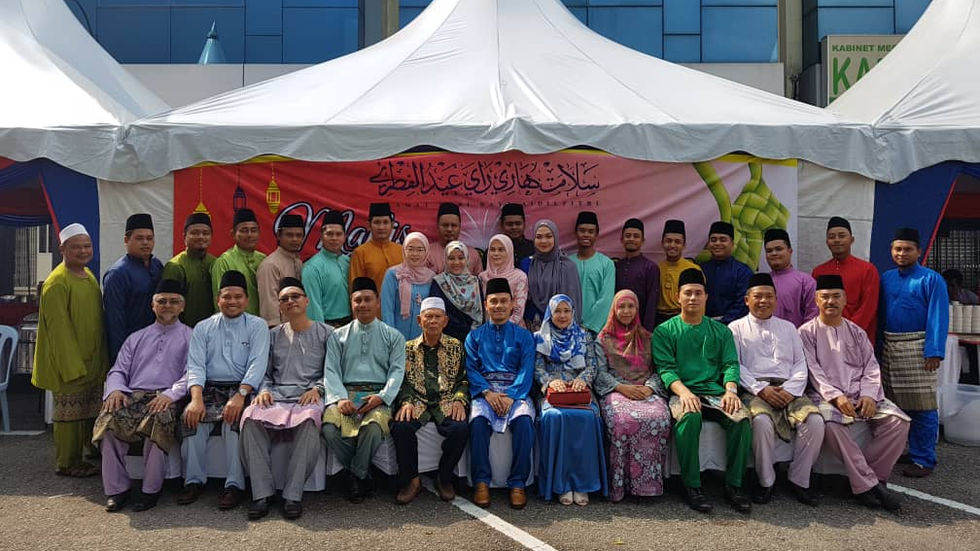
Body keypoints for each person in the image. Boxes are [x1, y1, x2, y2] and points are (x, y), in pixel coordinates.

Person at [799, 274, 909, 511]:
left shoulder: (857, 332)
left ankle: (873, 477)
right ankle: (870, 486)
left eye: (836, 296)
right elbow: (813, 371)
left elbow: (871, 367)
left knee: (898, 422)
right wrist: (836, 396)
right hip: (824, 396)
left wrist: (869, 394)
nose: (830, 301)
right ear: (816, 300)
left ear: (845, 299)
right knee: (831, 424)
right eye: (825, 297)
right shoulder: (806, 333)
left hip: (860, 394)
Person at [652, 268, 752, 513]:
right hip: (682, 391)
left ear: (706, 296)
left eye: (698, 293)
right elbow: (666, 369)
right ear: (678, 297)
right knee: (689, 417)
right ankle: (692, 486)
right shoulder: (664, 331)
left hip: (716, 393)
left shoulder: (721, 331)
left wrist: (731, 390)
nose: (693, 298)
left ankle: (734, 485)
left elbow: (730, 364)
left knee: (741, 418)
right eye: (688, 293)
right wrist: (684, 393)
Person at [93, 279, 190, 512]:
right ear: (153, 305)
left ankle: (150, 490)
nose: (167, 306)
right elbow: (118, 370)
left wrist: (170, 394)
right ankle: (117, 490)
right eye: (162, 301)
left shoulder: (191, 336)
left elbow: (193, 374)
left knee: (157, 421)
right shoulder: (136, 338)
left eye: (174, 301)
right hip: (133, 396)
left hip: (166, 398)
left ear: (182, 306)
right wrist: (116, 389)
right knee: (108, 420)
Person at [239, 277, 331, 520]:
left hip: (308, 395)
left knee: (310, 420)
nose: (290, 301)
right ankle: (262, 494)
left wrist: (319, 389)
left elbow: (333, 371)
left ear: (306, 301)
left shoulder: (327, 333)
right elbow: (264, 371)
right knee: (250, 417)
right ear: (279, 306)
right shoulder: (272, 335)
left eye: (295, 296)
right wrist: (264, 390)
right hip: (277, 394)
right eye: (284, 299)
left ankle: (293, 495)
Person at [729, 273, 824, 506]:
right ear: (747, 300)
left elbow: (800, 363)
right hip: (755, 390)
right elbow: (735, 365)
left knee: (815, 422)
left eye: (768, 296)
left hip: (789, 388)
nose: (763, 301)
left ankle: (799, 479)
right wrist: (761, 389)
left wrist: (790, 390)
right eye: (758, 296)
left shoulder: (789, 328)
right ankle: (766, 481)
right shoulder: (735, 328)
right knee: (761, 422)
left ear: (776, 299)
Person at [179, 270, 269, 510]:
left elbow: (258, 363)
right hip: (209, 388)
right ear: (218, 299)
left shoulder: (258, 325)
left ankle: (234, 485)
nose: (232, 301)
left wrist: (241, 395)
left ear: (246, 300)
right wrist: (196, 398)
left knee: (233, 424)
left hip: (242, 388)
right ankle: (193, 481)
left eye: (238, 297)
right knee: (191, 421)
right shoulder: (203, 327)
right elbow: (196, 365)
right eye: (227, 297)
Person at [32, 223, 108, 478]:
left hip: (92, 359)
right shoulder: (57, 282)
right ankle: (67, 462)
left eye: (87, 246)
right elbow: (59, 331)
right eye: (77, 247)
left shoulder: (88, 275)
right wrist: (72, 366)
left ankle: (88, 450)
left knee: (88, 409)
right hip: (70, 363)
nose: (83, 251)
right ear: (62, 249)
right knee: (69, 415)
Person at [322, 277, 406, 503]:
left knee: (373, 429)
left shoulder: (394, 336)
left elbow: (397, 371)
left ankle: (355, 476)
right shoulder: (337, 336)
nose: (363, 305)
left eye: (368, 299)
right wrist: (340, 399)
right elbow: (331, 370)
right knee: (329, 428)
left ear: (378, 302)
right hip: (346, 394)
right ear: (351, 303)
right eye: (357, 300)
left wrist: (382, 397)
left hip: (377, 395)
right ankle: (363, 474)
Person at [879, 227, 949, 478]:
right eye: (897, 249)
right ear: (891, 250)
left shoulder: (931, 279)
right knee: (897, 405)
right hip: (890, 346)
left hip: (919, 347)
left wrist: (934, 351)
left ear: (918, 251)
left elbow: (938, 316)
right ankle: (907, 449)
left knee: (923, 406)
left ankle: (924, 459)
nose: (902, 253)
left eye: (907, 249)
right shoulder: (886, 278)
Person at [465, 277, 536, 510]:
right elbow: (471, 368)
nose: (498, 306)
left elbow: (527, 368)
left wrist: (512, 395)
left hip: (515, 393)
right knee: (477, 423)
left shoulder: (524, 336)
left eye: (503, 301)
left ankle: (518, 483)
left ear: (512, 303)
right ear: (486, 304)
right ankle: (481, 482)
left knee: (524, 423)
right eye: (493, 301)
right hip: (485, 392)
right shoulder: (474, 336)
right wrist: (487, 393)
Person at [391, 297, 470, 505]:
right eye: (428, 317)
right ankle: (412, 480)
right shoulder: (407, 348)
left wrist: (459, 400)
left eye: (437, 317)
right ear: (420, 320)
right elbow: (401, 380)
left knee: (460, 428)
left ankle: (444, 477)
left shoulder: (456, 346)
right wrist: (406, 401)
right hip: (417, 400)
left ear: (445, 321)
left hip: (446, 400)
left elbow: (463, 379)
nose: (433, 321)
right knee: (401, 426)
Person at [594, 289, 671, 502]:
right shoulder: (603, 339)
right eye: (621, 306)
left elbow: (660, 369)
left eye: (631, 306)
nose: (626, 311)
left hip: (645, 389)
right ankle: (620, 484)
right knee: (623, 421)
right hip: (616, 390)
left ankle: (647, 486)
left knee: (659, 418)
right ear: (613, 310)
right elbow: (600, 373)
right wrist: (621, 388)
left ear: (637, 310)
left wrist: (650, 388)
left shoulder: (649, 338)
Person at [533, 294, 608, 506]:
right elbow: (537, 367)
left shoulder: (584, 335)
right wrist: (550, 381)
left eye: (567, 311)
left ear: (573, 312)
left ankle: (582, 484)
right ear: (550, 313)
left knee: (588, 418)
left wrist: (582, 380)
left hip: (578, 390)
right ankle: (561, 484)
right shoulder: (540, 337)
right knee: (554, 417)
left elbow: (592, 365)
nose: (563, 315)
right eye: (557, 311)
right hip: (552, 391)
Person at [103, 213, 164, 363]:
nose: (145, 243)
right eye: (139, 238)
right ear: (126, 240)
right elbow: (115, 323)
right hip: (132, 352)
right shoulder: (118, 274)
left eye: (149, 238)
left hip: (158, 349)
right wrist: (122, 360)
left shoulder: (157, 266)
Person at [812, 216, 879, 344]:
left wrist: (846, 333)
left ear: (851, 239)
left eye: (842, 236)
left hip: (858, 339)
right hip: (827, 339)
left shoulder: (867, 270)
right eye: (832, 237)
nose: (837, 240)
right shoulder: (819, 272)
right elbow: (816, 306)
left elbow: (868, 308)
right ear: (827, 242)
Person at [520, 219, 582, 331]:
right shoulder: (526, 264)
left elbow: (573, 303)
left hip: (560, 327)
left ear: (555, 238)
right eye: (539, 237)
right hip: (531, 327)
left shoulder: (567, 266)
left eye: (549, 236)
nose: (543, 241)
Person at [162, 212, 216, 327]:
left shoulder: (215, 263)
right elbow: (168, 307)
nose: (201, 237)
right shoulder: (175, 266)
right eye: (195, 233)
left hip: (211, 330)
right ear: (184, 236)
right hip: (183, 332)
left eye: (205, 233)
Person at [211, 208, 266, 316]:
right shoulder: (224, 262)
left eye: (253, 230)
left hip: (262, 322)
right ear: (233, 234)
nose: (249, 235)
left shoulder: (264, 259)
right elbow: (220, 302)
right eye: (244, 230)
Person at [302, 210, 352, 326]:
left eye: (338, 234)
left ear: (344, 237)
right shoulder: (312, 268)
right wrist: (322, 332)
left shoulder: (349, 262)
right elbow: (313, 308)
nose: (334, 238)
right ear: (321, 237)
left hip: (351, 325)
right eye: (329, 234)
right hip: (329, 326)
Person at [382, 231, 435, 340]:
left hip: (423, 338)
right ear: (404, 250)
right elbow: (387, 309)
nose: (414, 254)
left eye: (420, 250)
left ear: (426, 252)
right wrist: (391, 337)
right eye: (410, 249)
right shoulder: (393, 274)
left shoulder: (431, 277)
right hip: (397, 336)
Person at [429, 241, 484, 342]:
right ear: (446, 260)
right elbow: (438, 311)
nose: (456, 262)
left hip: (474, 338)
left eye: (461, 258)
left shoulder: (475, 282)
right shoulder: (439, 282)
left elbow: (481, 311)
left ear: (467, 259)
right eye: (451, 258)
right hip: (447, 338)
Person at [256, 214, 305, 326]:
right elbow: (269, 308)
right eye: (289, 235)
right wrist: (276, 331)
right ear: (278, 235)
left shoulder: (298, 262)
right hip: (281, 329)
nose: (295, 239)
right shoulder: (270, 265)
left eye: (299, 235)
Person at [763, 228, 817, 328]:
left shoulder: (806, 282)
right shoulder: (762, 282)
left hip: (797, 336)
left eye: (779, 249)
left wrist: (798, 336)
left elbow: (812, 317)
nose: (774, 253)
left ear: (790, 251)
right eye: (769, 251)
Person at [699, 221, 751, 324]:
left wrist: (723, 323)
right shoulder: (700, 270)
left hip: (733, 326)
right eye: (713, 240)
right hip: (703, 325)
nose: (717, 243)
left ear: (732, 243)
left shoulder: (742, 271)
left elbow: (743, 303)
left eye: (723, 240)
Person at [571, 211, 615, 333]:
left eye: (591, 232)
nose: (586, 235)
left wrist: (589, 326)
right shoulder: (567, 263)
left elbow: (606, 299)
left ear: (596, 235)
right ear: (576, 233)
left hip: (597, 330)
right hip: (569, 327)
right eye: (582, 231)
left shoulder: (606, 264)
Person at [613, 218, 660, 331]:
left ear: (642, 241)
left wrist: (646, 330)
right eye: (628, 236)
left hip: (640, 328)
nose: (631, 239)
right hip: (617, 326)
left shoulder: (650, 268)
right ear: (621, 239)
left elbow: (652, 302)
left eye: (636, 236)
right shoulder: (616, 266)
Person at [349, 202, 403, 293]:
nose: (381, 227)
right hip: (373, 302)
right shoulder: (360, 253)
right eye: (377, 222)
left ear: (392, 225)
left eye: (385, 222)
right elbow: (355, 289)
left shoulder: (401, 250)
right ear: (369, 225)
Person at [656, 219, 700, 326]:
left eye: (677, 242)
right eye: (668, 241)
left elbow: (700, 300)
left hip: (684, 319)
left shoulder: (693, 269)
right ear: (662, 243)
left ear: (684, 245)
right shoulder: (656, 268)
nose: (672, 245)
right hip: (659, 320)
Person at [479, 234, 528, 325]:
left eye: (501, 250)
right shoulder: (482, 277)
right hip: (488, 328)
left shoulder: (519, 277)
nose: (496, 253)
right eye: (492, 249)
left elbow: (518, 310)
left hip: (513, 329)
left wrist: (502, 329)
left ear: (509, 251)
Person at [426, 202, 483, 275]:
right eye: (445, 225)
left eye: (453, 225)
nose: (449, 229)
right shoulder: (427, 254)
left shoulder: (473, 254)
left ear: (460, 227)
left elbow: (479, 280)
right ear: (437, 227)